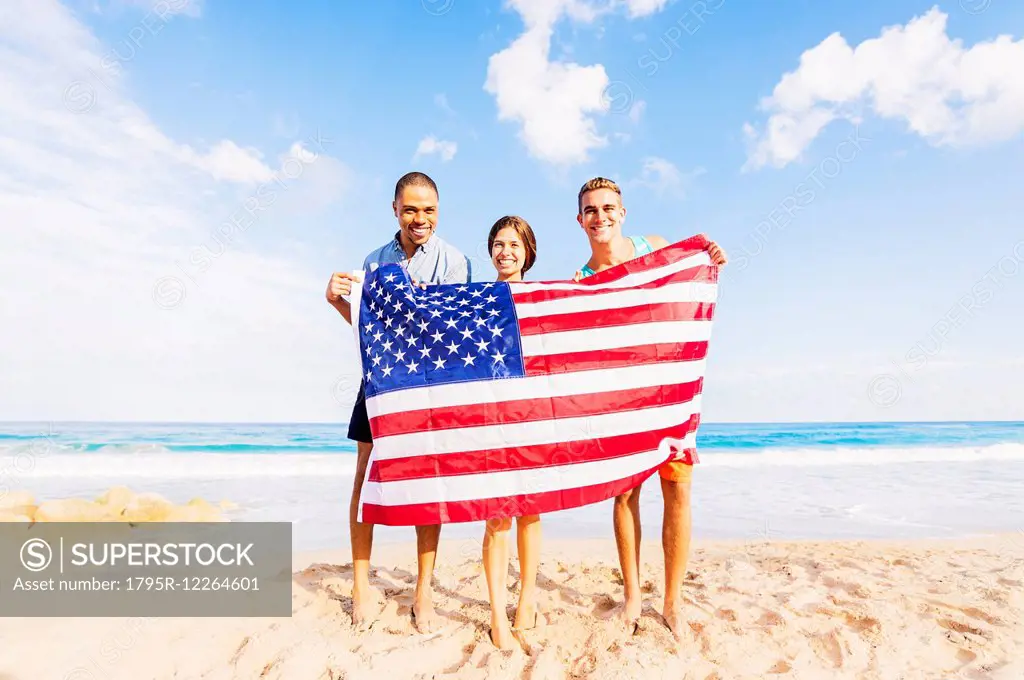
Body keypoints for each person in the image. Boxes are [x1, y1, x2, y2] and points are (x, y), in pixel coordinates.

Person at [571, 177, 727, 640]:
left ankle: (673, 602)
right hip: (621, 398)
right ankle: (634, 597)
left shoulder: (654, 248)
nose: (601, 216)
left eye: (608, 208)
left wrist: (711, 256)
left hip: (669, 391)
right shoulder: (582, 280)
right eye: (591, 210)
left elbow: (688, 283)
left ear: (623, 213)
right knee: (624, 495)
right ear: (580, 220)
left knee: (678, 491)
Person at [325, 171, 471, 633]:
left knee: (428, 487)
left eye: (428, 210)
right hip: (380, 384)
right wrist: (336, 302)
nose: (419, 218)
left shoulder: (454, 261)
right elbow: (365, 328)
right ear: (395, 210)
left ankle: (424, 590)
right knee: (364, 477)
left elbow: (446, 332)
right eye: (410, 209)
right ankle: (361, 585)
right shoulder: (372, 261)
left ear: (438, 211)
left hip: (428, 387)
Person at [480, 215, 543, 650]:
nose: (506, 252)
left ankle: (527, 600)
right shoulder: (476, 299)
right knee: (497, 515)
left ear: (528, 252)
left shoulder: (546, 298)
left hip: (534, 415)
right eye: (499, 244)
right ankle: (497, 613)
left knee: (531, 511)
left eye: (515, 245)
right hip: (491, 419)